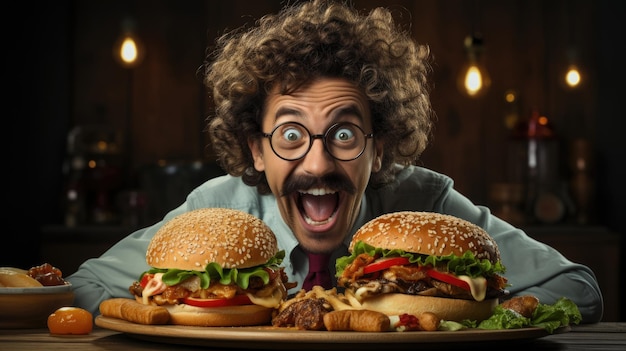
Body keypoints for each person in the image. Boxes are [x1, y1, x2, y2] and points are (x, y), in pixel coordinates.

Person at [67, 0, 603, 323]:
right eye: (292, 134)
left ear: (381, 145)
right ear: (256, 148)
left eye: (344, 133)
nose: (318, 163)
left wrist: (456, 319)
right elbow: (85, 285)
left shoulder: (426, 204)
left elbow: (579, 288)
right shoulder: (216, 209)